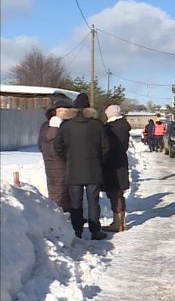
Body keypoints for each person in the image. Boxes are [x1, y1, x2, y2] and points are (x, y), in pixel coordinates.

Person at [55, 93, 109, 240]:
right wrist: (98, 160)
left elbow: (57, 146)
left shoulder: (66, 125)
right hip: (93, 170)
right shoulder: (96, 124)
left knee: (75, 202)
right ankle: (95, 231)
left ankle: (77, 230)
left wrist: (68, 159)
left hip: (73, 170)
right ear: (88, 106)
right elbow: (106, 147)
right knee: (93, 202)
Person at [38, 98, 73, 212]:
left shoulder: (45, 126)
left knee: (60, 189)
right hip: (60, 162)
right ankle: (61, 214)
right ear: (55, 112)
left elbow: (40, 144)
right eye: (60, 111)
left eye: (65, 111)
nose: (63, 113)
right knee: (60, 190)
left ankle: (63, 213)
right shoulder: (63, 127)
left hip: (51, 162)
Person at [102, 105, 131, 232]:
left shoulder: (112, 128)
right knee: (119, 193)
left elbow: (108, 146)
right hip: (120, 162)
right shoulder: (123, 126)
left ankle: (117, 223)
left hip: (112, 164)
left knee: (115, 193)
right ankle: (121, 222)